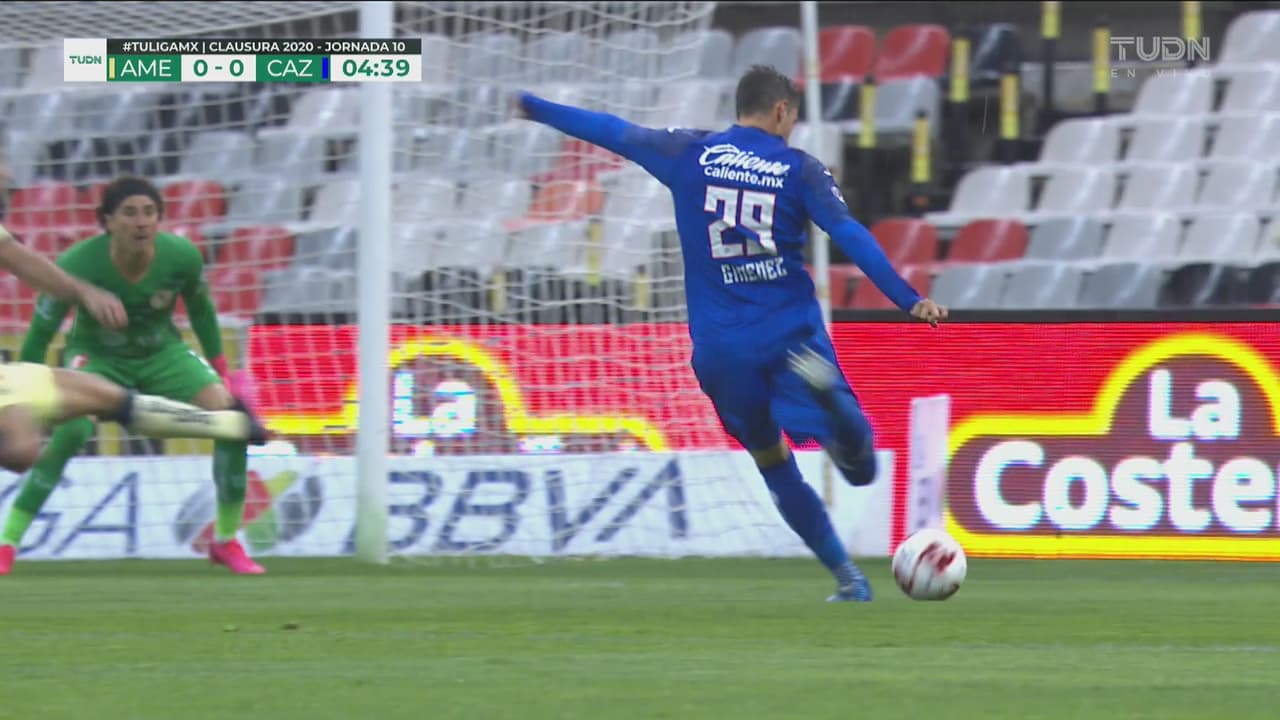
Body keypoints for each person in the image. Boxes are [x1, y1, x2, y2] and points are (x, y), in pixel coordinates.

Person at [516, 65, 948, 602]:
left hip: (721, 352)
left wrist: (536, 107)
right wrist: (907, 298)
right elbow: (848, 233)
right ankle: (833, 411)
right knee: (861, 471)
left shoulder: (689, 153)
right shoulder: (798, 168)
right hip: (789, 336)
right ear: (782, 111)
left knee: (773, 463)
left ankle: (849, 580)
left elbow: (611, 131)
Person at [0, 176, 270, 576]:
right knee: (72, 431)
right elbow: (41, 330)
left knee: (230, 419)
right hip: (98, 356)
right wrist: (31, 396)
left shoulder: (181, 256)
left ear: (160, 219)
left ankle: (225, 539)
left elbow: (202, 312)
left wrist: (224, 373)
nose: (141, 222)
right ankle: (8, 543)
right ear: (108, 221)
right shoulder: (78, 263)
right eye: (129, 213)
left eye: (149, 213)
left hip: (162, 353)